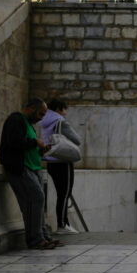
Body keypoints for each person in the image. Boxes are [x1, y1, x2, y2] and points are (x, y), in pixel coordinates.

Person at [0, 98, 62, 250]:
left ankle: (43, 236)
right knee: (35, 199)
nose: (41, 118)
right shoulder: (16, 119)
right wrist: (36, 143)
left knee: (38, 202)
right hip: (21, 168)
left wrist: (40, 149)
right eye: (40, 113)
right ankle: (35, 239)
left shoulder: (29, 126)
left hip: (34, 168)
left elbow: (26, 145)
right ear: (31, 108)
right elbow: (14, 142)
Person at [41, 98, 82, 235]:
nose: (64, 113)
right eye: (64, 109)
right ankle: (62, 225)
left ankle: (64, 224)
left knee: (61, 193)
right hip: (63, 161)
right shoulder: (60, 121)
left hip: (51, 162)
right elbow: (77, 140)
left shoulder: (44, 121)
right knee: (64, 194)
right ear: (58, 109)